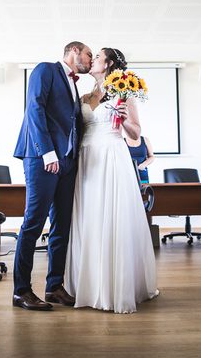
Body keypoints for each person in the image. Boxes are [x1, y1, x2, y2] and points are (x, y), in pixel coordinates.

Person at [66, 48, 158, 313]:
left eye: (96, 57)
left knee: (110, 216)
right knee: (88, 216)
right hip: (86, 158)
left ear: (108, 64)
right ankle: (86, 284)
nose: (91, 59)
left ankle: (113, 287)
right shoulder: (84, 95)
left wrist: (124, 117)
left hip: (111, 156)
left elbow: (136, 133)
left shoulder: (123, 93)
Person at [12, 41, 92, 311]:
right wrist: (47, 153)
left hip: (67, 161)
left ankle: (54, 286)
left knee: (62, 225)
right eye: (88, 54)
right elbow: (34, 109)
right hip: (41, 158)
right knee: (33, 223)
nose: (90, 60)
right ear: (73, 51)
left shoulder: (74, 84)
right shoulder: (45, 69)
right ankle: (21, 290)